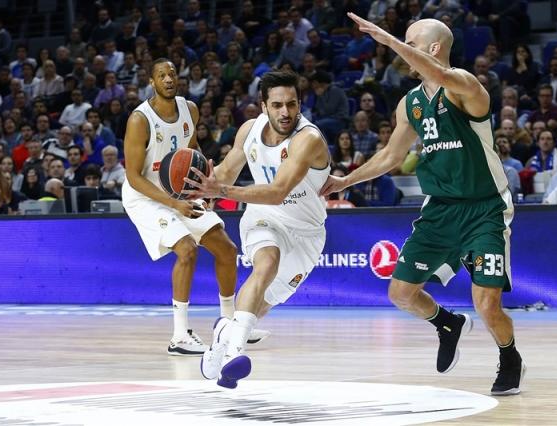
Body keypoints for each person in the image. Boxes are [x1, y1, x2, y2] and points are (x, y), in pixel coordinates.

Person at [322, 14, 525, 396]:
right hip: (440, 210)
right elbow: (390, 156)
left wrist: (384, 38)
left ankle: (510, 356)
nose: (403, 50)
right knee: (400, 293)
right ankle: (446, 323)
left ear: (433, 49)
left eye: (409, 43)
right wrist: (344, 180)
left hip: (485, 209)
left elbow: (441, 76)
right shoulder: (410, 104)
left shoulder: (464, 85)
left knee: (486, 303)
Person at [183, 71, 330, 389]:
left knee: (264, 302)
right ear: (263, 106)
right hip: (264, 216)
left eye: (291, 104)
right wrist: (200, 188)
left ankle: (224, 335)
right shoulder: (249, 131)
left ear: (300, 104)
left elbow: (278, 190)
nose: (285, 112)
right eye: (277, 105)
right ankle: (235, 355)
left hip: (307, 232)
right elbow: (226, 172)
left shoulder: (309, 139)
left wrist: (220, 191)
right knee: (267, 264)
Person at [121, 58, 268, 357]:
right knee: (187, 249)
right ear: (152, 82)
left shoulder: (190, 109)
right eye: (161, 75)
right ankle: (179, 336)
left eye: (172, 73)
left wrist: (203, 182)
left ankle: (231, 324)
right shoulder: (140, 119)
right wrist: (175, 203)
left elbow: (188, 151)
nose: (168, 79)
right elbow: (134, 177)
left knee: (226, 250)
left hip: (178, 193)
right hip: (145, 197)